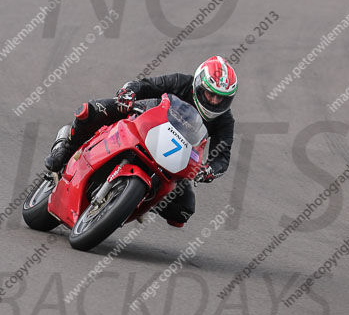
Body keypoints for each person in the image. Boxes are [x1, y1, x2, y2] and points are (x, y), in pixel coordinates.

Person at [44, 56, 238, 228]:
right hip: (145, 123)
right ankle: (65, 148)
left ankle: (135, 201)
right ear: (198, 85)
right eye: (210, 94)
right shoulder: (182, 82)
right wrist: (128, 93)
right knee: (91, 111)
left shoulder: (225, 120)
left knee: (183, 211)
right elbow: (146, 85)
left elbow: (222, 156)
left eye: (220, 98)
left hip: (173, 159)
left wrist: (210, 170)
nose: (214, 101)